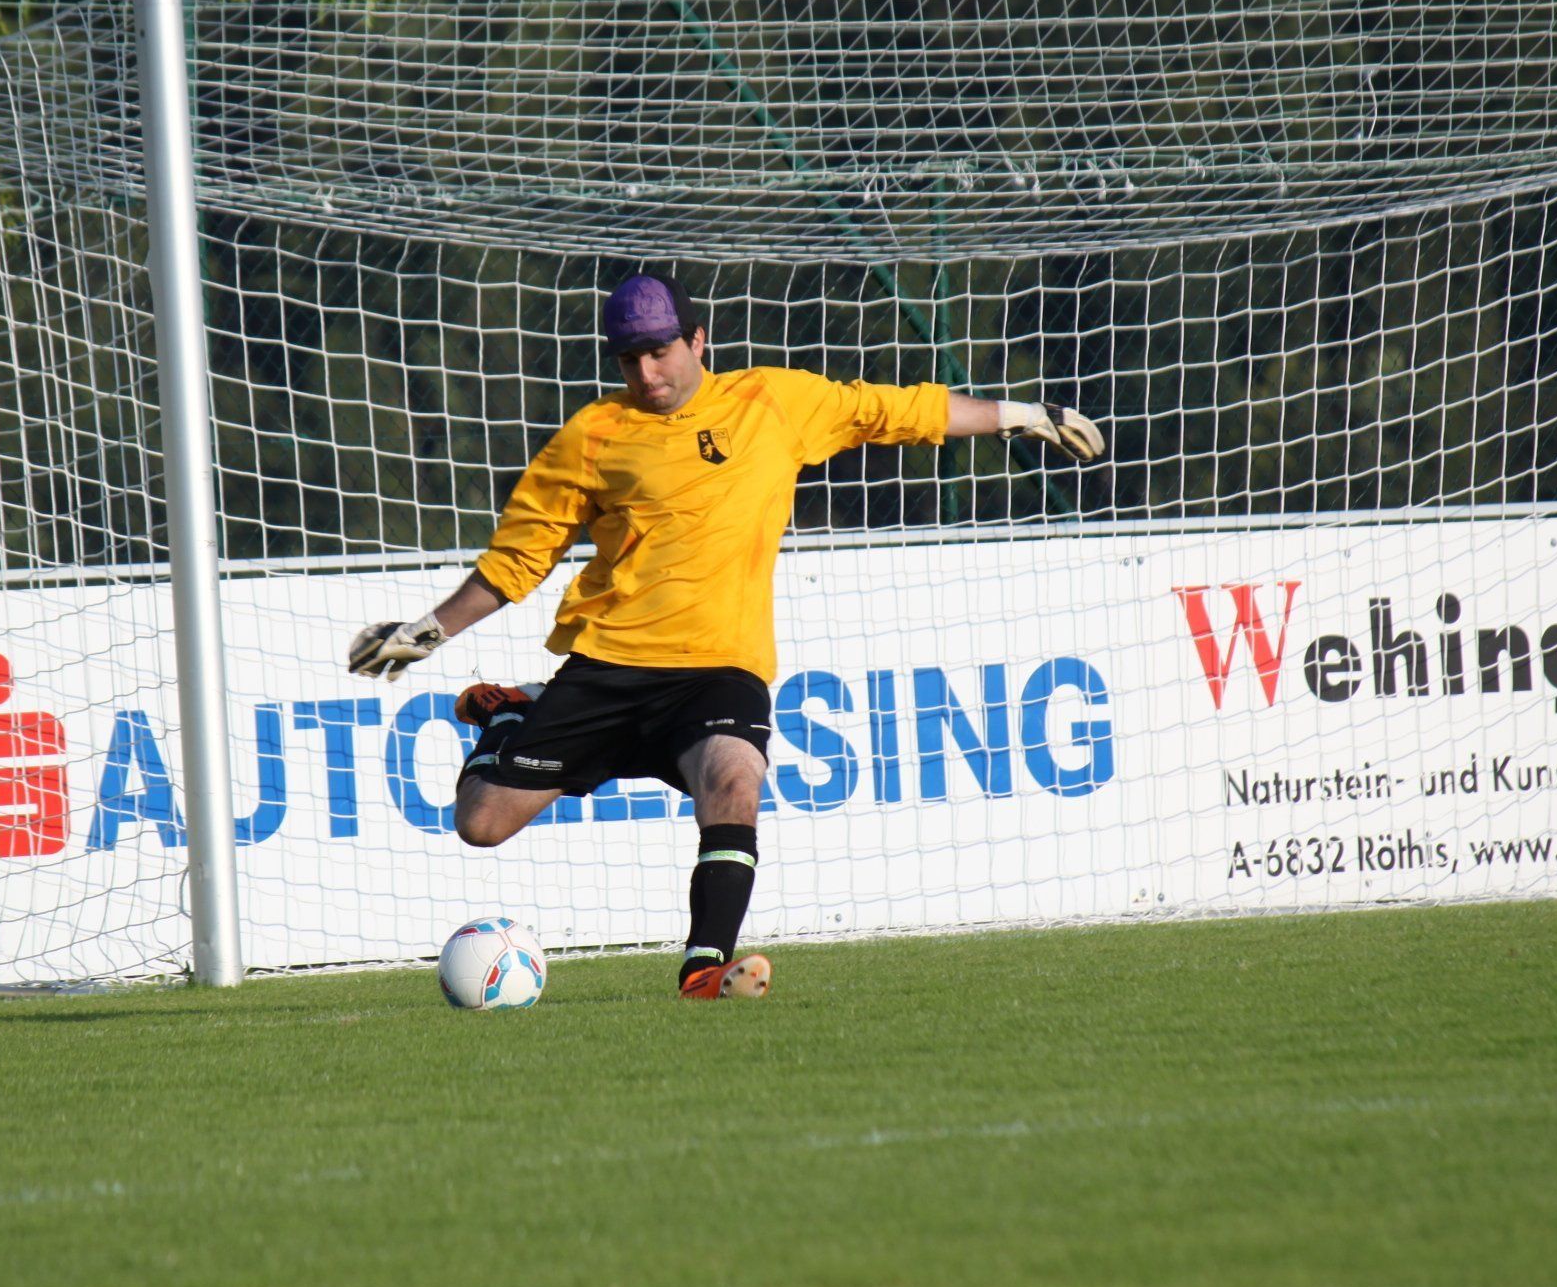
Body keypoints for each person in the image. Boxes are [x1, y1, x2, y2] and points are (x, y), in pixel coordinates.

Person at [348, 273, 1104, 999]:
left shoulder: (771, 402)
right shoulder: (593, 436)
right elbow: (519, 558)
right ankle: (511, 715)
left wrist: (1022, 414)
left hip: (719, 670)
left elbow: (894, 410)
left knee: (737, 783)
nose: (647, 374)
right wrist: (428, 631)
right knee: (480, 825)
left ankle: (703, 970)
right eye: (630, 359)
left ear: (698, 340)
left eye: (660, 352)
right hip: (611, 665)